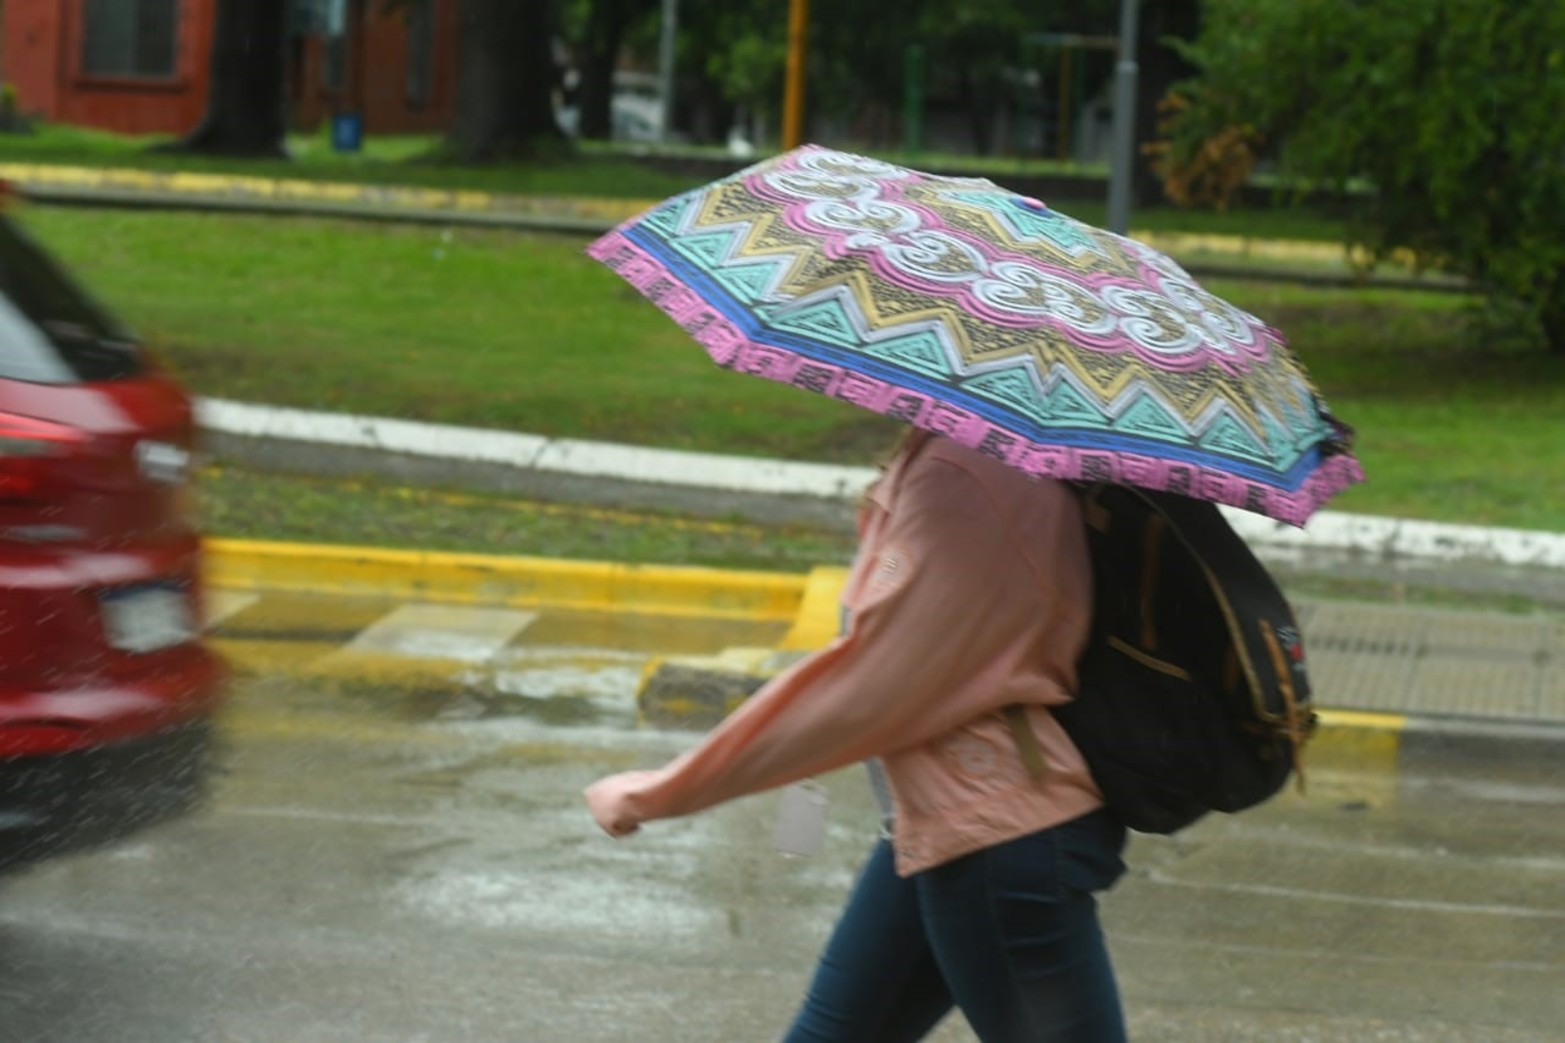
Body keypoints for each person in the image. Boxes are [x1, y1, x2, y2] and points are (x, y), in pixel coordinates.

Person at [584, 428, 1129, 1042]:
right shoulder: (972, 454)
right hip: (948, 820)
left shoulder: (969, 473)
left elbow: (872, 682)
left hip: (997, 836)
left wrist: (663, 791)